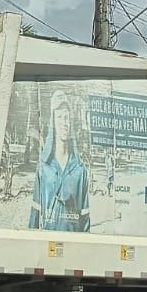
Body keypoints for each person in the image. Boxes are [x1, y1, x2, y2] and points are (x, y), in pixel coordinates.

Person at [29, 92, 90, 232]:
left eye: (67, 118)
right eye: (60, 117)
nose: (64, 122)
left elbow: (85, 220)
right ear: (53, 123)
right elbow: (35, 215)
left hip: (72, 244)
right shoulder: (43, 168)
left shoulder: (80, 170)